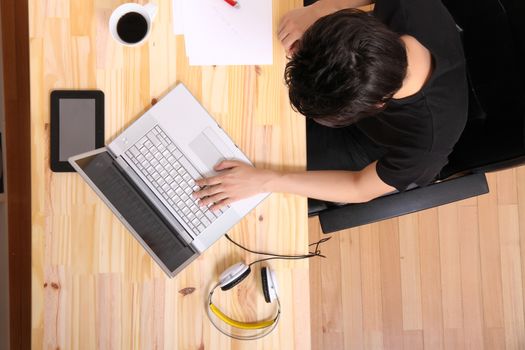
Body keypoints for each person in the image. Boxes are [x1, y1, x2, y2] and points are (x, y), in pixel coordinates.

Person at [193, 0, 468, 211]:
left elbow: (360, 188)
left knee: (247, 154)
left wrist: (267, 181)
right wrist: (321, 9)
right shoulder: (407, 7)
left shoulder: (426, 145)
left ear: (378, 104)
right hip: (351, 90)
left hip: (368, 144)